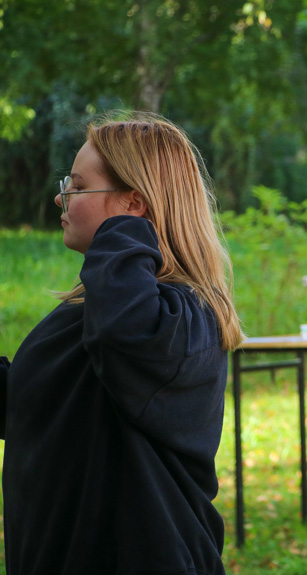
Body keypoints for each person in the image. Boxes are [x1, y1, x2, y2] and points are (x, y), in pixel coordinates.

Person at [0, 112, 243, 575]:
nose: (61, 196)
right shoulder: (93, 310)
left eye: (76, 185)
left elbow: (125, 341)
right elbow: (36, 403)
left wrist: (127, 230)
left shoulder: (181, 317)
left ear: (135, 202)